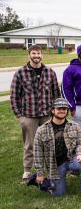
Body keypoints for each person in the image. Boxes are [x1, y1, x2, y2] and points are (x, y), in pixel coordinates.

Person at [10, 44, 60, 180]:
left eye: (38, 53)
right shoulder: (20, 73)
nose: (36, 56)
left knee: (49, 142)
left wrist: (55, 112)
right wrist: (20, 116)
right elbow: (14, 96)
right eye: (34, 54)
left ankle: (50, 168)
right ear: (29, 55)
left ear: (42, 55)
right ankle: (27, 170)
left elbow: (56, 93)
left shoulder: (50, 72)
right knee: (29, 144)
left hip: (47, 115)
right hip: (29, 115)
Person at [32, 98, 81, 198]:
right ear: (53, 110)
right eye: (59, 108)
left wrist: (80, 153)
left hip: (71, 159)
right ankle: (39, 179)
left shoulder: (74, 126)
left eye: (64, 109)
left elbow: (80, 142)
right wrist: (40, 172)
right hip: (56, 166)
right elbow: (37, 153)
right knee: (59, 194)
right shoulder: (41, 130)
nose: (62, 111)